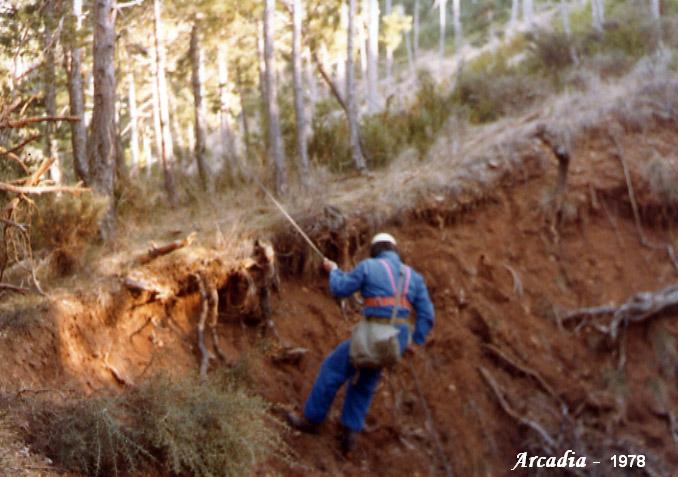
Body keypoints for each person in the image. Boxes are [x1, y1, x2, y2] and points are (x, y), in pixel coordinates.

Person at [286, 232, 435, 454]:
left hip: (372, 334)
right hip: (397, 341)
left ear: (375, 251)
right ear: (394, 250)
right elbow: (427, 315)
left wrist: (334, 271)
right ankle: (349, 434)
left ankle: (313, 420)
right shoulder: (413, 277)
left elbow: (339, 289)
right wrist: (416, 341)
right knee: (366, 381)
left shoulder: (368, 267)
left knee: (333, 369)